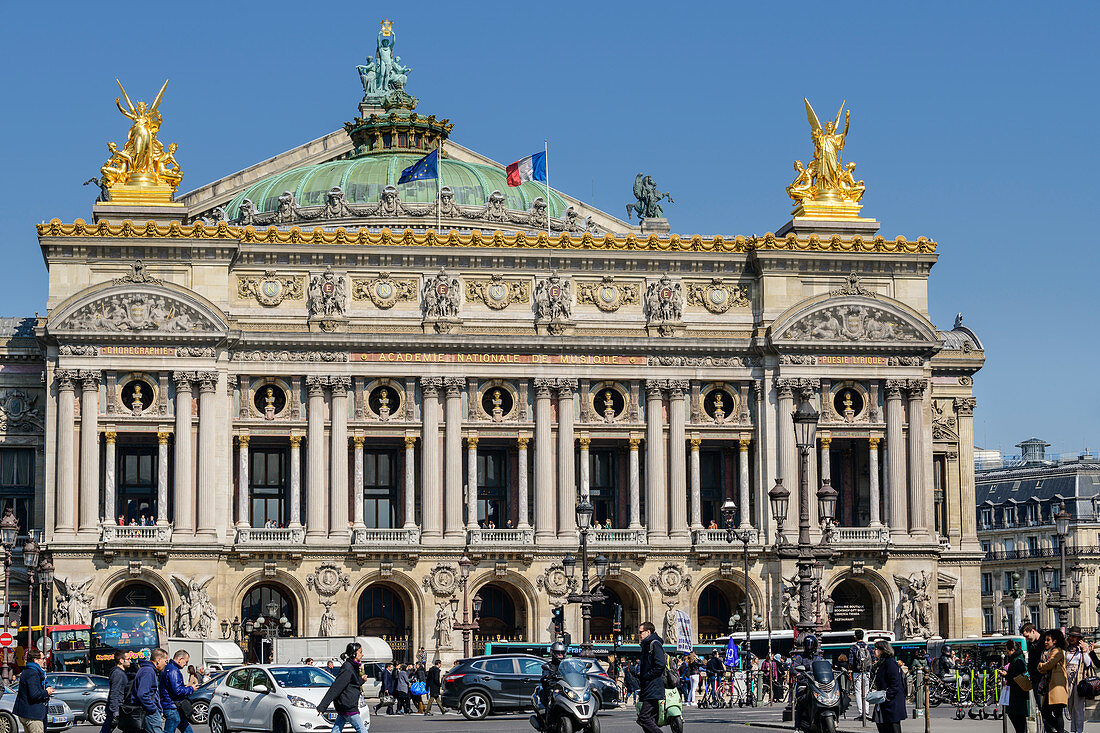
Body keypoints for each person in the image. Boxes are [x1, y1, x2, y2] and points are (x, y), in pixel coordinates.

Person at [317, 642, 369, 733]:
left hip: (345, 705)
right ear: (354, 653)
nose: (362, 654)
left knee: (337, 729)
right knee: (362, 729)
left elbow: (352, 684)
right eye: (360, 652)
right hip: (348, 705)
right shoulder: (348, 668)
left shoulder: (352, 666)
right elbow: (336, 687)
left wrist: (361, 680)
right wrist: (322, 706)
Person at [636, 621, 667, 733]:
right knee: (650, 719)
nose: (638, 634)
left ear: (648, 632)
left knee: (643, 718)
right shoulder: (647, 645)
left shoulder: (654, 644)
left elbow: (660, 665)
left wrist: (646, 676)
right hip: (648, 687)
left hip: (653, 687)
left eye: (640, 632)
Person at [14, 648, 54, 733]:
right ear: (36, 660)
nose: (44, 661)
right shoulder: (32, 673)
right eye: (43, 658)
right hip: (33, 715)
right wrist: (47, 692)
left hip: (28, 713)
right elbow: (34, 694)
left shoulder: (29, 671)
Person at [871, 640, 906, 733]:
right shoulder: (883, 663)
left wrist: (887, 696)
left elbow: (895, 683)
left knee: (893, 727)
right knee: (882, 724)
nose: (874, 651)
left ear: (883, 650)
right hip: (884, 701)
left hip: (891, 702)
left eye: (876, 649)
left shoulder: (890, 663)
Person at [1037, 628, 1069, 733]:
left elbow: (1049, 664)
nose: (1045, 642)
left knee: (1057, 712)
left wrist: (1040, 665)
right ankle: (1061, 731)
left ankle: (1061, 731)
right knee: (1046, 712)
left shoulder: (1057, 651)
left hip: (1057, 687)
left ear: (1054, 641)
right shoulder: (1048, 652)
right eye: (1045, 640)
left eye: (1048, 640)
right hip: (1050, 687)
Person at [1065, 626, 1093, 733]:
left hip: (1079, 678)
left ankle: (1079, 730)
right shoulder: (1066, 648)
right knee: (1070, 705)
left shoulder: (1083, 647)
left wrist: (1084, 651)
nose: (1072, 638)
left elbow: (1088, 663)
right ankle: (1074, 729)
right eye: (1071, 636)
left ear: (1078, 638)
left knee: (1079, 706)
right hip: (1068, 678)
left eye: (1074, 637)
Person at [133, 648, 169, 733]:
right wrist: (153, 709)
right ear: (158, 660)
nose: (165, 664)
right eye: (165, 661)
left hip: (148, 712)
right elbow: (142, 694)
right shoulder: (148, 671)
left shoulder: (147, 669)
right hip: (150, 713)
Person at [159, 649, 195, 733]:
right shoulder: (173, 670)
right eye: (186, 662)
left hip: (174, 706)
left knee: (187, 729)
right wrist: (191, 688)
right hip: (172, 707)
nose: (186, 664)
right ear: (180, 659)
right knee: (169, 730)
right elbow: (177, 690)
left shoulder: (169, 668)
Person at [1003, 640, 1030, 733]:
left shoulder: (1017, 660)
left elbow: (1016, 675)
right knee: (1019, 719)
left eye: (1008, 651)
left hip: (1017, 693)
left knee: (1017, 718)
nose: (1008, 654)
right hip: (1018, 693)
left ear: (1013, 650)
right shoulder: (1018, 658)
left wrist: (1006, 675)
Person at [101, 650, 130, 733]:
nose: (130, 661)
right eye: (128, 659)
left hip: (119, 707)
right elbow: (114, 693)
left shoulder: (120, 672)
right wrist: (115, 711)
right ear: (121, 660)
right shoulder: (117, 673)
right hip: (117, 708)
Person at [849, 628, 873, 722]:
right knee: (866, 692)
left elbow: (851, 661)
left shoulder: (853, 647)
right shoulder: (868, 647)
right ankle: (866, 712)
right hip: (867, 672)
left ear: (855, 636)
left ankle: (861, 713)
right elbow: (873, 659)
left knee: (859, 693)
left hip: (857, 672)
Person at [538, 641, 567, 716]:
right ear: (553, 653)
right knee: (550, 700)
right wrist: (547, 677)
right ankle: (548, 718)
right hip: (553, 688)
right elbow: (545, 675)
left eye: (562, 653)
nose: (560, 655)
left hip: (565, 688)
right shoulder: (549, 665)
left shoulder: (567, 665)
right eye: (558, 653)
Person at [1022, 622, 1045, 708]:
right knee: (1040, 706)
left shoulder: (1044, 641)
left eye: (1027, 636)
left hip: (1044, 677)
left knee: (1045, 707)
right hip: (1035, 678)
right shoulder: (1030, 644)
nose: (1026, 639)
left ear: (1033, 631)